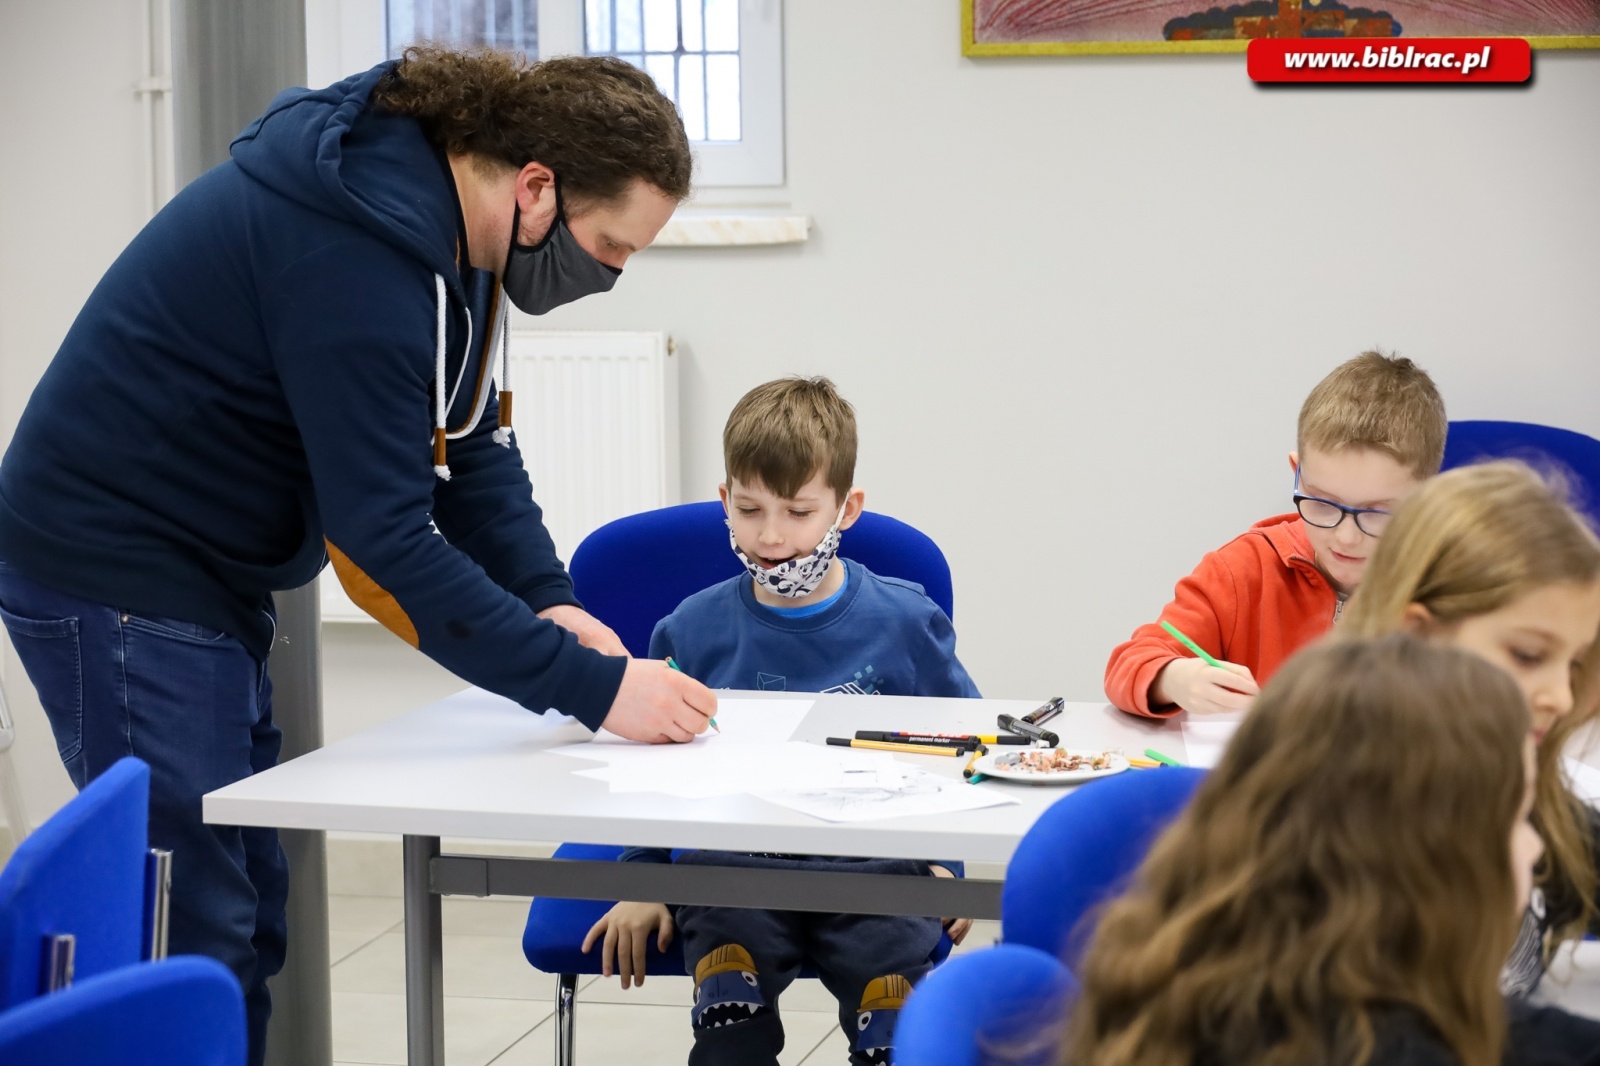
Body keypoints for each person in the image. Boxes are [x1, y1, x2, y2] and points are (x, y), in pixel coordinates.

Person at [0, 47, 715, 1065]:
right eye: (610, 246)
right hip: (113, 565)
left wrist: (548, 599)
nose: (610, 273)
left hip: (201, 572)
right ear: (536, 188)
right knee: (193, 925)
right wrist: (594, 688)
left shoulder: (459, 241)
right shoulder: (359, 252)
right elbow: (383, 547)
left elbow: (470, 446)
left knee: (250, 911)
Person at [579, 376, 980, 1066]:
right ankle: (734, 1019)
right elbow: (650, 763)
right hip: (735, 856)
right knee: (725, 939)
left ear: (846, 509)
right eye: (749, 509)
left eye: (798, 512)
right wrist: (644, 878)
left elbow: (961, 748)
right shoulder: (690, 629)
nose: (770, 536)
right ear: (724, 501)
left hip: (871, 855)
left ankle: (888, 1023)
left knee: (892, 968)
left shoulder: (907, 622)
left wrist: (947, 861)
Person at [1065, 634, 1540, 1066]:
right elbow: (1135, 657)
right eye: (1519, 817)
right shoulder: (1468, 1046)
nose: (1538, 845)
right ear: (1428, 854)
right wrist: (1175, 676)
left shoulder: (1169, 997)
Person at [1341, 460, 1600, 1001]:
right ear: (1415, 636)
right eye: (1527, 655)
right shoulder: (1342, 831)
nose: (1561, 697)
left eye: (1573, 664)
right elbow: (1404, 1030)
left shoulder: (1520, 786)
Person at [1104, 350, 1445, 717]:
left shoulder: (1449, 585)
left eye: (1377, 513)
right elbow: (1130, 664)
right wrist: (1175, 678)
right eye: (1324, 503)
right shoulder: (1241, 572)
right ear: (1298, 475)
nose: (1346, 537)